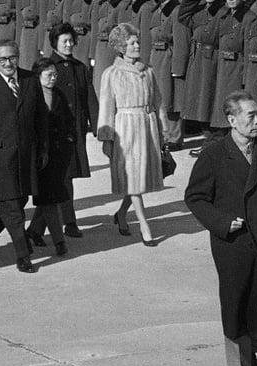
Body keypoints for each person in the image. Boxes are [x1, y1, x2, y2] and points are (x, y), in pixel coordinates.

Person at [184, 91, 257, 366]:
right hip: (233, 243)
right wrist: (221, 222)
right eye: (250, 116)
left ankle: (251, 355)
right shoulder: (214, 155)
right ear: (232, 120)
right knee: (236, 304)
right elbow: (195, 197)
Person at [0, 40, 48, 274]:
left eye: (12, 58)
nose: (8, 63)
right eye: (3, 59)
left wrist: (43, 148)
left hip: (27, 154)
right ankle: (23, 255)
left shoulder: (30, 80)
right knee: (12, 208)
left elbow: (40, 119)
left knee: (21, 199)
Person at [97, 23, 166, 247]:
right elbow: (106, 107)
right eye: (131, 43)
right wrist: (106, 138)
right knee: (133, 177)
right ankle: (145, 226)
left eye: (137, 41)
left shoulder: (149, 72)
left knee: (139, 177)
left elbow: (158, 102)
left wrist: (163, 128)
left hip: (147, 125)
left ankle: (121, 213)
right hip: (124, 128)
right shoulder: (112, 74)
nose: (137, 46)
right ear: (121, 47)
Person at [42, 22, 97, 237]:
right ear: (54, 43)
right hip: (54, 131)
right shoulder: (46, 66)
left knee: (67, 177)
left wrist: (97, 124)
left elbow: (89, 97)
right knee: (58, 178)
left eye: (71, 41)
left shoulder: (79, 67)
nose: (69, 44)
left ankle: (66, 222)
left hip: (75, 131)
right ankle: (58, 224)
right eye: (64, 41)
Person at [25, 58, 76, 257]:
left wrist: (70, 138)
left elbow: (68, 120)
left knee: (51, 195)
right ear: (38, 76)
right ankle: (59, 241)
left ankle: (35, 231)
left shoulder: (58, 95)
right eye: (49, 75)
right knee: (49, 198)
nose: (53, 79)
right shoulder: (31, 95)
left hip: (59, 154)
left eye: (55, 75)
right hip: (39, 156)